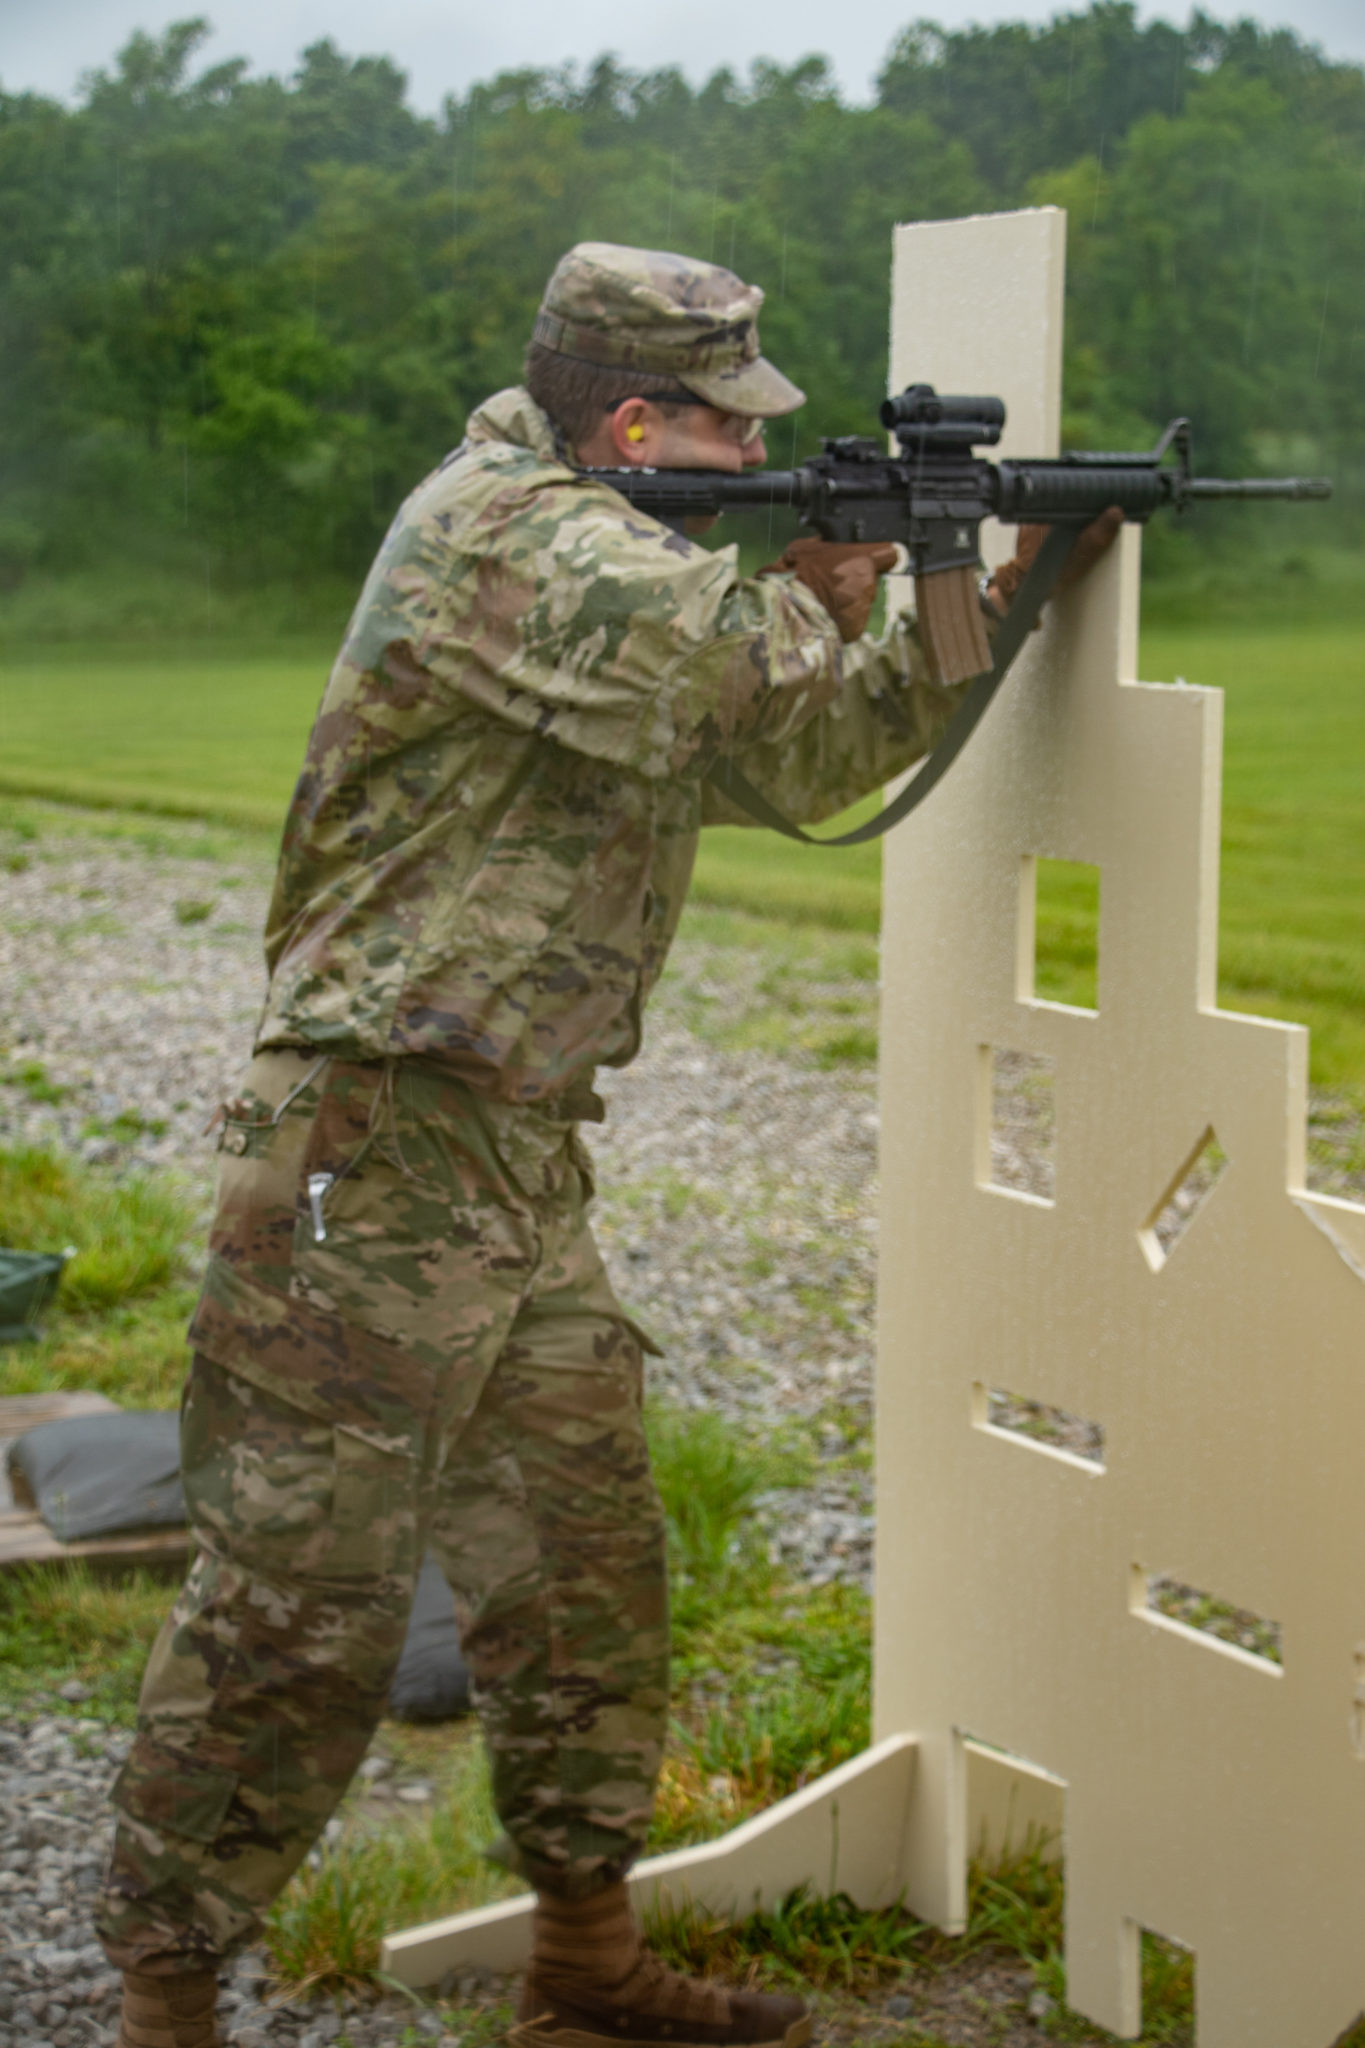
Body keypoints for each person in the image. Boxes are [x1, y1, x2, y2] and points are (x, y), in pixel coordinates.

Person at [97, 242, 1117, 2048]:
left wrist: (992, 568)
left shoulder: (626, 570)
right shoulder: (517, 539)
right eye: (737, 432)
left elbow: (808, 746)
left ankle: (585, 1970)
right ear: (634, 421)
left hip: (506, 1166)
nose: (752, 460)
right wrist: (863, 558)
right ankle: (162, 2001)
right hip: (375, 1145)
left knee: (579, 1568)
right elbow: (752, 689)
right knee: (304, 1599)